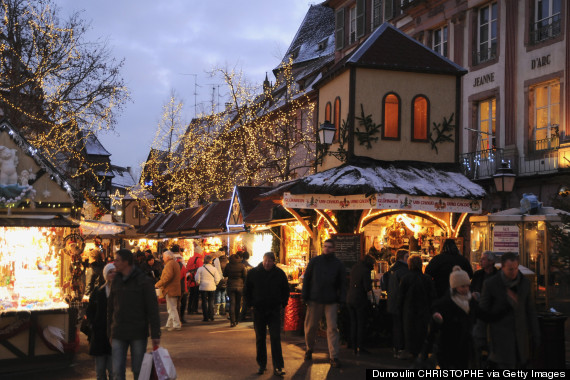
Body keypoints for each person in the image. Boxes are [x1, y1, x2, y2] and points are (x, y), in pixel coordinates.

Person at [479, 252, 540, 369]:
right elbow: (483, 313)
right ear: (502, 268)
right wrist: (482, 340)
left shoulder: (524, 284)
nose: (514, 272)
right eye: (510, 269)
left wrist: (535, 334)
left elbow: (530, 311)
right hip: (500, 341)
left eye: (516, 268)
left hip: (521, 342)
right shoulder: (491, 284)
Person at [108, 249, 160, 380]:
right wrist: (109, 331)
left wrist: (155, 334)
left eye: (117, 260)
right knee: (117, 372)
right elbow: (110, 308)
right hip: (119, 331)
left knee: (138, 370)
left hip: (138, 331)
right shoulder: (116, 280)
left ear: (126, 262)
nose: (115, 263)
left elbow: (152, 309)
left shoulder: (143, 281)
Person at [302, 239, 346, 368]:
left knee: (332, 328)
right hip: (314, 299)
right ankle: (309, 348)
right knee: (310, 327)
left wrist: (341, 299)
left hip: (330, 300)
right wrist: (305, 295)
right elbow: (307, 279)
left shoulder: (338, 264)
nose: (326, 249)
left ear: (334, 249)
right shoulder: (315, 261)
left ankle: (334, 356)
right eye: (325, 246)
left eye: (329, 247)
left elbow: (342, 284)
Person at [245, 252, 289, 377]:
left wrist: (283, 303)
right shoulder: (253, 273)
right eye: (265, 260)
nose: (267, 263)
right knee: (260, 338)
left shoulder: (279, 274)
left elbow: (285, 290)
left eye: (270, 261)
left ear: (273, 261)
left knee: (275, 338)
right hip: (259, 310)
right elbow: (247, 290)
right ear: (262, 260)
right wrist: (250, 304)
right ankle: (262, 364)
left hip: (274, 310)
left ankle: (278, 366)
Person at [431, 266, 479, 369]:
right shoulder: (446, 302)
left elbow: (482, 315)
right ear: (455, 287)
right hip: (448, 346)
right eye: (462, 286)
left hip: (465, 347)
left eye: (467, 286)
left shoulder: (471, 301)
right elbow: (435, 320)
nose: (466, 289)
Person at [398, 254, 436, 360]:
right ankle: (421, 352)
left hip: (409, 309)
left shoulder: (405, 278)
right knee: (422, 331)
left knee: (410, 331)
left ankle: (412, 352)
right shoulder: (426, 278)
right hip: (423, 309)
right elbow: (432, 295)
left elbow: (401, 295)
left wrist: (399, 308)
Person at [86, 263, 115, 380]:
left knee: (114, 372)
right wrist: (93, 324)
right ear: (105, 275)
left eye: (115, 272)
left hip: (115, 335)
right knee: (100, 371)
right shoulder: (98, 292)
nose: (113, 274)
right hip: (99, 335)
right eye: (110, 272)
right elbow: (90, 311)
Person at [381, 248, 409, 359]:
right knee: (402, 327)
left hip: (392, 303)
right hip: (401, 303)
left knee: (396, 326)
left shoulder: (390, 270)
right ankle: (401, 349)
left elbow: (384, 285)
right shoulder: (404, 271)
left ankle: (396, 348)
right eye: (407, 257)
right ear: (402, 258)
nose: (408, 259)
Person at [346, 254, 375, 356]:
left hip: (350, 297)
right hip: (359, 299)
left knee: (354, 323)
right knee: (361, 323)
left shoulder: (355, 267)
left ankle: (353, 346)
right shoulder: (366, 270)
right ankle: (360, 347)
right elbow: (367, 287)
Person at [155, 250, 182, 331]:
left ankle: (176, 325)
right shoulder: (175, 263)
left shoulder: (169, 264)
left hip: (170, 289)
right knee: (171, 307)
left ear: (167, 257)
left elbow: (167, 277)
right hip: (174, 288)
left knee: (172, 308)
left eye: (163, 257)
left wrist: (158, 284)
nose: (162, 258)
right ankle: (169, 324)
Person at [224, 253, 247, 327]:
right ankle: (237, 319)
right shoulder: (242, 265)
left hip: (230, 286)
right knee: (238, 303)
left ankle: (232, 321)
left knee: (232, 303)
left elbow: (225, 274)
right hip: (240, 286)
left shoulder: (228, 265)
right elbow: (245, 275)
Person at [195, 255, 221, 322]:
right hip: (212, 287)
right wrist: (215, 283)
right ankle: (211, 316)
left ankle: (205, 317)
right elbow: (217, 278)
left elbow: (197, 279)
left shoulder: (200, 269)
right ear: (210, 261)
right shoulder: (214, 269)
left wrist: (199, 283)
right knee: (211, 301)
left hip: (203, 287)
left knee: (204, 302)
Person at [213, 250, 229, 316]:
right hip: (226, 279)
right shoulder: (227, 261)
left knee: (218, 295)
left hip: (218, 279)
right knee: (224, 295)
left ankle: (217, 311)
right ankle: (223, 310)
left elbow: (215, 271)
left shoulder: (216, 261)